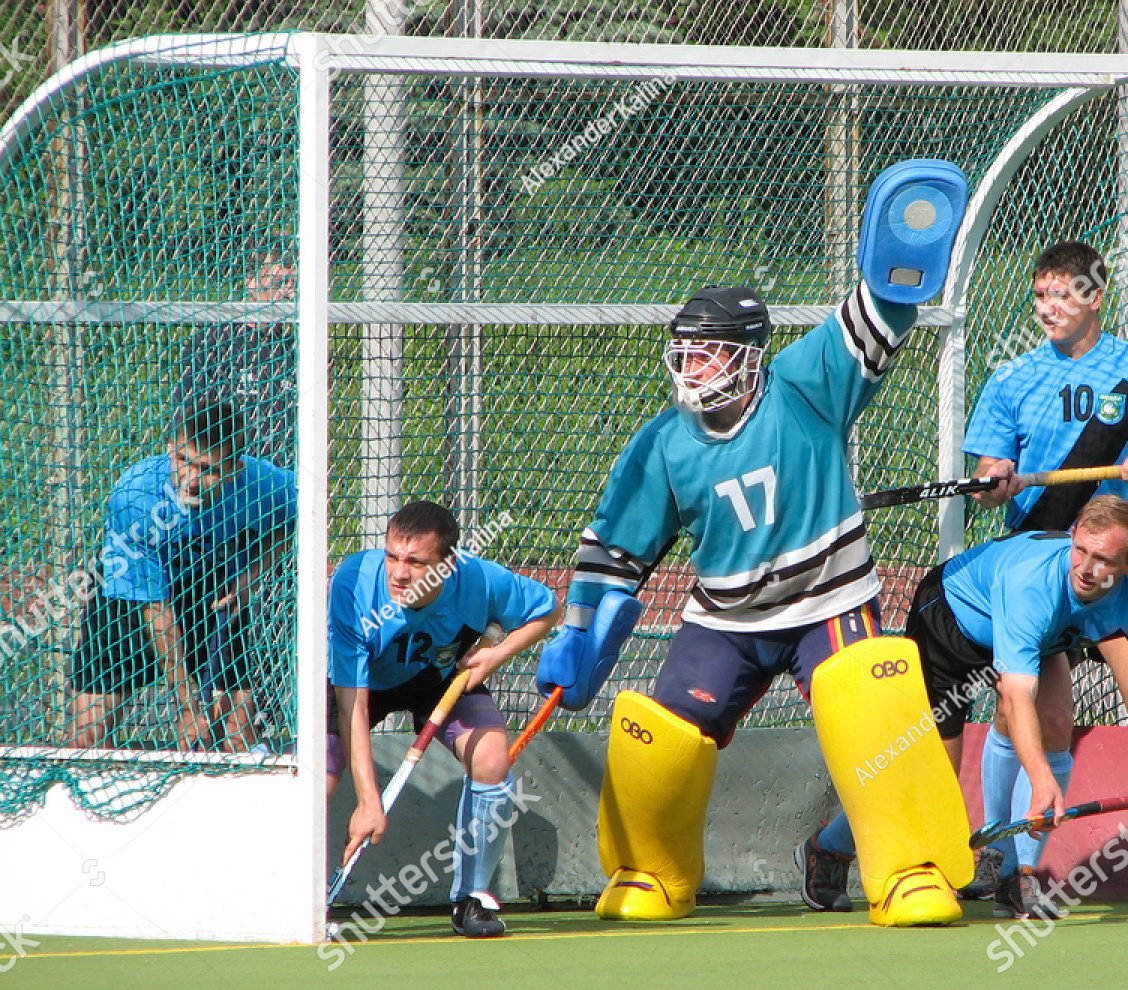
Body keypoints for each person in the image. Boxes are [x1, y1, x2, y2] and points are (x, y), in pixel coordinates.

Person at [536, 161, 977, 927]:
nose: (690, 368)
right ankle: (651, 872)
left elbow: (881, 308)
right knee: (658, 735)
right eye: (684, 353)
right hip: (725, 621)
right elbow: (614, 551)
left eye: (706, 353)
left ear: (745, 355)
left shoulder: (805, 383)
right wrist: (582, 633)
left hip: (827, 599)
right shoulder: (664, 444)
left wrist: (906, 245)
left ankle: (910, 870)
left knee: (875, 704)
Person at [958, 239, 1128, 902]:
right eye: (1039, 296)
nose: (1047, 308)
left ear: (1094, 297)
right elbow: (987, 472)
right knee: (1020, 712)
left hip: (1109, 574)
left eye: (1062, 295)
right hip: (1041, 574)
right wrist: (991, 482)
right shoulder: (1012, 378)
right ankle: (1001, 856)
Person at [904, 496, 1128, 917]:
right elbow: (1018, 696)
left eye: (1103, 559)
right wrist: (1041, 780)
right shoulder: (1031, 585)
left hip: (1048, 631)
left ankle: (1017, 876)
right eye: (1081, 551)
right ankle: (828, 848)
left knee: (1056, 720)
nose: (1086, 569)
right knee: (933, 769)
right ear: (1072, 536)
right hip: (953, 621)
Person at [327, 500, 559, 938]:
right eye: (393, 556)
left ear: (447, 565)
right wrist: (368, 800)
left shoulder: (477, 580)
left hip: (436, 680)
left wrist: (496, 654)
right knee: (319, 780)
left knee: (492, 757)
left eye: (416, 562)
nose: (398, 573)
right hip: (356, 685)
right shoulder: (355, 582)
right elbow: (352, 706)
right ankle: (309, 898)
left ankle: (473, 899)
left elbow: (548, 610)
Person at [69, 399, 295, 751]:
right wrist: (187, 707)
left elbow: (297, 517)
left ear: (235, 468)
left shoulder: (266, 485)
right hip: (128, 598)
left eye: (206, 468)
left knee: (236, 731)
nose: (191, 480)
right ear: (170, 449)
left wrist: (252, 574)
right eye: (183, 461)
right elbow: (156, 609)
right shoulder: (138, 496)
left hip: (212, 593)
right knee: (87, 735)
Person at [174, 245, 296, 468]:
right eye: (280, 283)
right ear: (252, 281)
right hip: (230, 475)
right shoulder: (213, 344)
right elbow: (189, 419)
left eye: (294, 285)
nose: (289, 293)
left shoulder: (297, 348)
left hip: (286, 475)